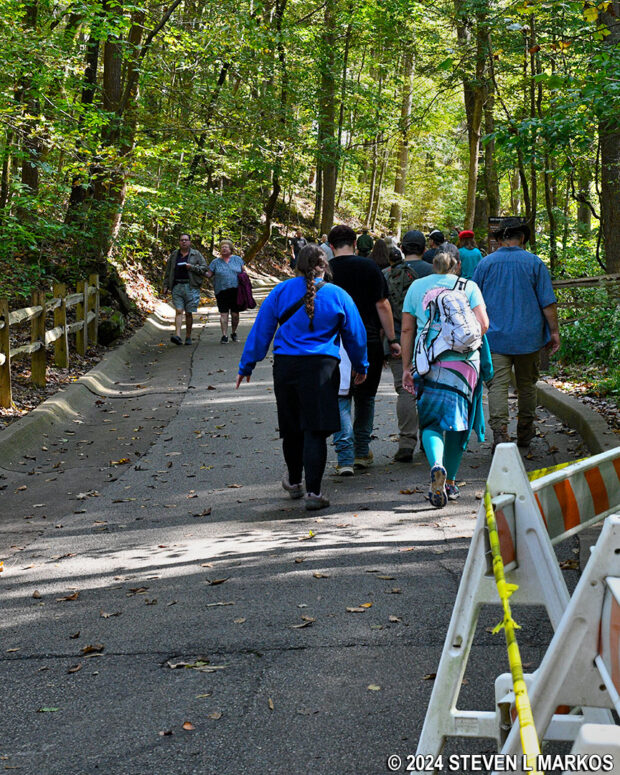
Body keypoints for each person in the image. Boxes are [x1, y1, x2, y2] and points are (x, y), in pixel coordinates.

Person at [236, 244, 368, 510]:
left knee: (292, 428)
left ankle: (295, 482)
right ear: (325, 266)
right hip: (322, 368)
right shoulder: (338, 295)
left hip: (286, 367)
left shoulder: (281, 291)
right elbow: (355, 333)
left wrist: (246, 365)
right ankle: (314, 494)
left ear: (296, 265)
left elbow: (262, 330)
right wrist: (360, 365)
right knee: (315, 431)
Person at [400, 244, 491, 507]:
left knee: (430, 423)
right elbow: (484, 325)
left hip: (429, 362)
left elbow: (407, 330)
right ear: (457, 264)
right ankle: (449, 482)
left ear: (433, 264)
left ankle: (436, 465)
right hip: (465, 364)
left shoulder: (416, 287)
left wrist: (407, 368)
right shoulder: (468, 286)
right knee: (459, 424)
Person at [472, 218, 560, 448]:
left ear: (500, 239)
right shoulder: (534, 263)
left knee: (497, 385)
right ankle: (525, 430)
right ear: (522, 238)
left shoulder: (485, 264)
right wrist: (554, 332)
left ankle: (500, 433)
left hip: (494, 339)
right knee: (527, 385)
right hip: (528, 338)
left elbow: (472, 301)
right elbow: (547, 303)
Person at [329, 224, 401, 473]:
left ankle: (345, 456)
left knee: (340, 398)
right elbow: (382, 305)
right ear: (356, 242)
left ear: (330, 246)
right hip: (367, 339)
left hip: (334, 343)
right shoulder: (370, 267)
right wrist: (392, 339)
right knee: (365, 397)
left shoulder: (326, 270)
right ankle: (361, 450)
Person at [162, 233, 208, 346]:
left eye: (186, 240)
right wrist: (165, 285)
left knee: (188, 313)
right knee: (178, 311)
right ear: (179, 242)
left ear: (190, 242)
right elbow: (168, 271)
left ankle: (188, 336)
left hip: (191, 286)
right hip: (177, 286)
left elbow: (204, 268)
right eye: (182, 240)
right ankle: (177, 335)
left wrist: (191, 267)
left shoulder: (196, 254)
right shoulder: (174, 255)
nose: (184, 242)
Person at [206, 239, 244, 344]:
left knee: (235, 314)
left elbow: (244, 272)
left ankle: (234, 332)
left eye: (226, 247)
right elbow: (209, 274)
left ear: (230, 249)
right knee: (224, 314)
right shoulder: (215, 262)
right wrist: (197, 269)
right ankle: (224, 335)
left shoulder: (237, 260)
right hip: (221, 291)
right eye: (222, 247)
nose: (223, 248)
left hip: (236, 291)